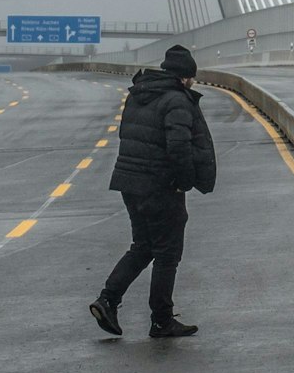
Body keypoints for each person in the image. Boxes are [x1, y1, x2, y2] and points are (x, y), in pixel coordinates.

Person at [89, 44, 216, 338]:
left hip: (129, 183)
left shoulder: (139, 95)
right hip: (159, 185)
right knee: (168, 254)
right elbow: (179, 147)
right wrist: (184, 181)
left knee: (143, 246)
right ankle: (161, 319)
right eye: (192, 79)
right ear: (185, 77)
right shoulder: (177, 101)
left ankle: (108, 300)